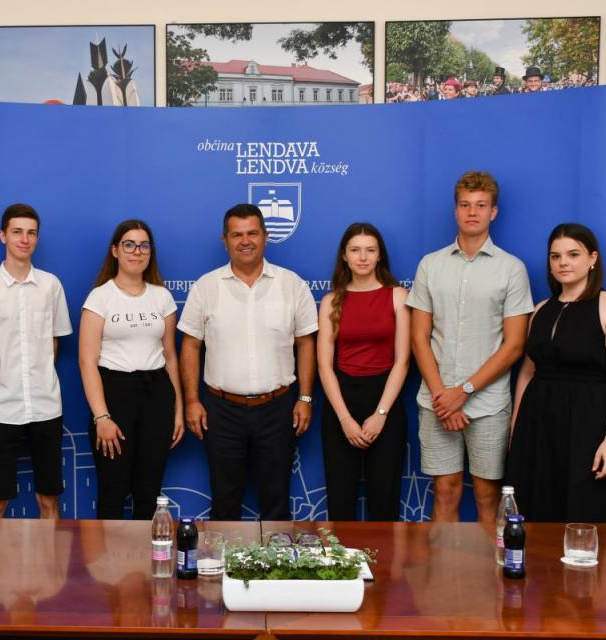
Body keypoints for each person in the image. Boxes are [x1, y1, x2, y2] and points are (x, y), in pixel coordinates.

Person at [406, 171, 533, 526]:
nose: (472, 212)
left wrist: (462, 392)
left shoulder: (512, 269)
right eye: (465, 205)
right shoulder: (430, 265)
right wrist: (442, 397)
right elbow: (419, 338)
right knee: (445, 491)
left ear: (494, 212)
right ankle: (442, 566)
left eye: (480, 205)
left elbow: (514, 345)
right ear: (455, 210)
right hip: (436, 400)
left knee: (487, 495)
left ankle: (490, 566)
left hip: (488, 403)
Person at [179, 203, 317, 521]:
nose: (245, 241)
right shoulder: (206, 286)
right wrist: (192, 401)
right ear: (224, 240)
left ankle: (277, 554)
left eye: (252, 233)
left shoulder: (291, 284)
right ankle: (221, 557)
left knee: (276, 501)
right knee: (225, 502)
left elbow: (305, 343)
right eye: (237, 234)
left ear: (265, 236)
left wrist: (305, 398)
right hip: (220, 410)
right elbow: (190, 345)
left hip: (278, 408)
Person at [505, 223, 606, 522]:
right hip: (537, 426)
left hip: (588, 426)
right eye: (555, 256)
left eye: (573, 254)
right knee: (534, 508)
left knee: (586, 508)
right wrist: (516, 428)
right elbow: (527, 372)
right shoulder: (540, 309)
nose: (563, 262)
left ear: (593, 258)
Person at [0, 204, 72, 519]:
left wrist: (38, 375)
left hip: (45, 405)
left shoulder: (51, 286)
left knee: (48, 499)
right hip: (0, 408)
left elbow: (54, 341)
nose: (24, 239)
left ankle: (50, 554)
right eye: (17, 232)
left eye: (31, 233)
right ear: (3, 235)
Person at [78, 219, 184, 519]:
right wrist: (101, 417)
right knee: (112, 491)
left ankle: (147, 551)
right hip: (114, 396)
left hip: (157, 395)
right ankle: (107, 554)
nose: (137, 251)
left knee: (149, 492)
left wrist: (177, 410)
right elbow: (87, 361)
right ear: (115, 251)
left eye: (144, 246)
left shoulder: (161, 297)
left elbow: (170, 356)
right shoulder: (100, 297)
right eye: (129, 245)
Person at [317, 223, 410, 521]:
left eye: (370, 250)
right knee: (340, 501)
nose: (363, 257)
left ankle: (385, 556)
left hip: (385, 400)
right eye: (355, 250)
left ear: (380, 255)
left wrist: (380, 414)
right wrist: (344, 419)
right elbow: (324, 365)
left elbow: (402, 361)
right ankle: (341, 555)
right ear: (344, 256)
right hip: (341, 402)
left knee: (384, 501)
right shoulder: (331, 301)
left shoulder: (398, 296)